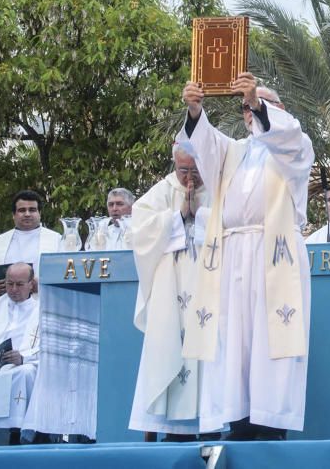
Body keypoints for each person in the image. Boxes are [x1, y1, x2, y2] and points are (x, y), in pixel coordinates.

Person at [179, 73, 314, 441]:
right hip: (232, 253)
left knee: (269, 340)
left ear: (278, 110)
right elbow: (204, 146)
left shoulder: (295, 147)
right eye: (246, 107)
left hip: (274, 254)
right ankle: (238, 421)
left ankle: (269, 424)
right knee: (233, 337)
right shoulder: (233, 150)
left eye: (260, 105)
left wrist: (258, 100)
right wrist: (195, 110)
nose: (251, 112)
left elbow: (287, 138)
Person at [128, 144, 211, 439]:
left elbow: (231, 225)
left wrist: (200, 215)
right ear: (174, 164)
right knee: (171, 347)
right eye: (183, 170)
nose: (190, 179)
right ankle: (175, 431)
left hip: (207, 287)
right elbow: (138, 233)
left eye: (196, 170)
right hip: (170, 288)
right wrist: (177, 216)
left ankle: (211, 426)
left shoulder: (217, 186)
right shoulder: (160, 192)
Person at [0, 263, 40, 445]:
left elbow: (47, 348)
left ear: (32, 284)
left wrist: (23, 357)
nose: (13, 289)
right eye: (9, 284)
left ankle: (17, 432)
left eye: (20, 284)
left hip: (21, 365)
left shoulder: (42, 311)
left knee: (25, 372)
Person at [0, 191, 62, 294]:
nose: (27, 214)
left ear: (40, 213)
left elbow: (68, 276)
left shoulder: (57, 241)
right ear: (14, 215)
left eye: (32, 210)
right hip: (3, 307)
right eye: (22, 210)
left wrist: (44, 286)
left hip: (42, 305)